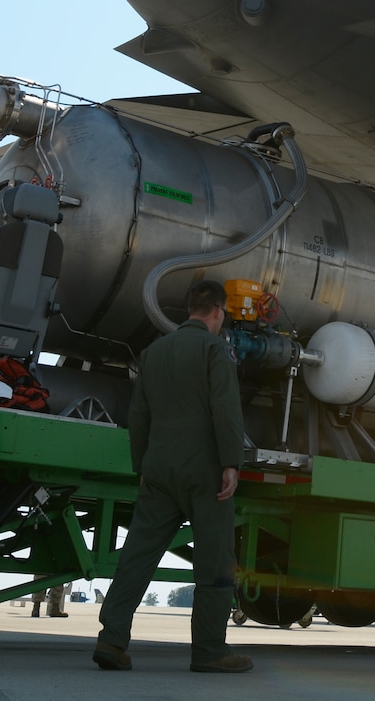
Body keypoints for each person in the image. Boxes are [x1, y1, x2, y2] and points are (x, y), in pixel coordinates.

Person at [92, 279, 251, 674]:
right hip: (206, 470)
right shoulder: (216, 348)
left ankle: (111, 639)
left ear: (189, 310)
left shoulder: (154, 352)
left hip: (159, 468)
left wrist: (142, 467)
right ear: (217, 311)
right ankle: (210, 650)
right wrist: (231, 461)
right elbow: (225, 408)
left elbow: (139, 415)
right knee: (215, 558)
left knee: (138, 555)